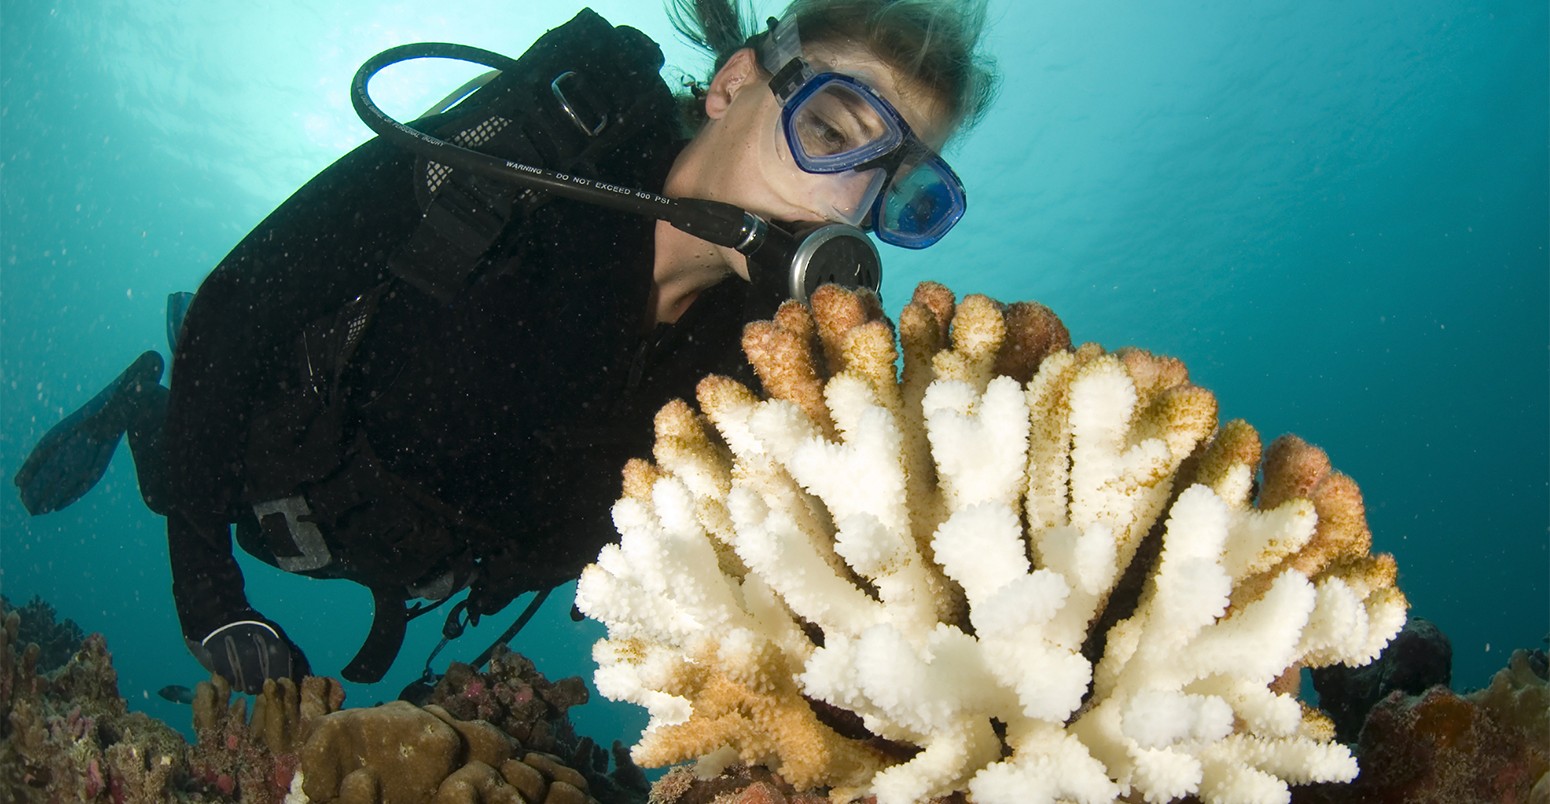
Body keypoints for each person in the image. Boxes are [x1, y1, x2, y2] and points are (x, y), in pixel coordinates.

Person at [13, 0, 997, 693]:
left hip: (428, 572)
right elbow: (246, 300)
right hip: (276, 479)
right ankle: (145, 393)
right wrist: (205, 589)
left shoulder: (765, 366)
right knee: (176, 455)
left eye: (896, 186)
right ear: (734, 81)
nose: (846, 202)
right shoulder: (538, 148)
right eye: (829, 128)